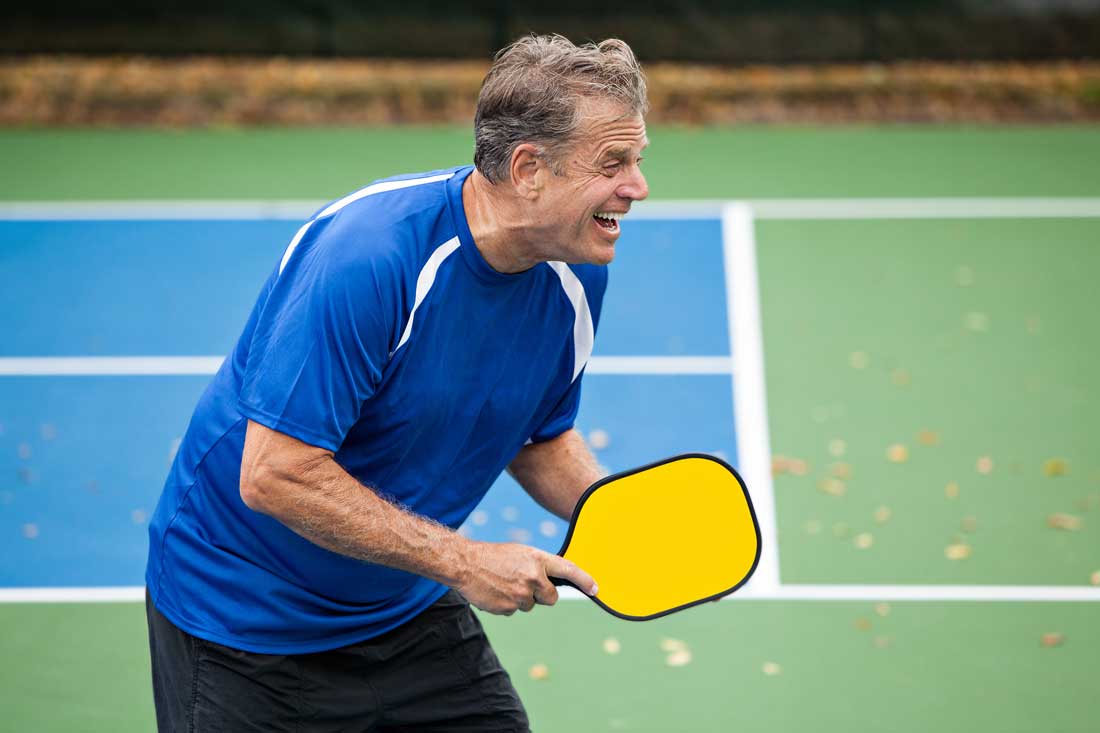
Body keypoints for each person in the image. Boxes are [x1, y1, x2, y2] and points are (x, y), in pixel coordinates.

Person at [145, 33, 649, 732]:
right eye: (613, 163)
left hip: (402, 607)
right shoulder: (370, 257)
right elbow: (274, 473)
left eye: (638, 161)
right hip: (246, 624)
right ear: (529, 168)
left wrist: (623, 520)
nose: (637, 186)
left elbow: (537, 436)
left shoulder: (575, 270)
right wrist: (462, 558)